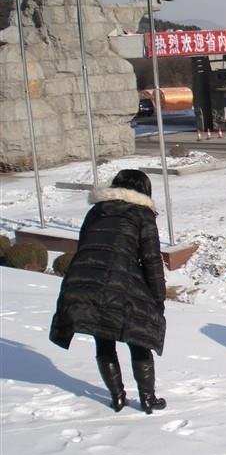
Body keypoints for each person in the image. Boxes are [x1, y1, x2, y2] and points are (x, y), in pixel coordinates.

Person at [49, 170, 167, 414]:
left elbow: (84, 246)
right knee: (139, 338)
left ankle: (117, 398)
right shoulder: (142, 214)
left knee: (103, 339)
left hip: (84, 282)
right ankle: (148, 399)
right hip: (121, 283)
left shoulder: (96, 211)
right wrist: (157, 298)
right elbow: (152, 260)